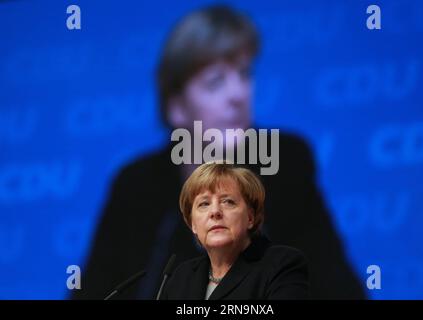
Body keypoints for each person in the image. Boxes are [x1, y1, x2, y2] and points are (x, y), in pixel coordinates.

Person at [72, 5, 365, 300]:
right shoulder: (136, 187)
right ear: (176, 107)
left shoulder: (284, 164)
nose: (238, 94)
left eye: (244, 74)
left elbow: (338, 289)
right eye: (216, 82)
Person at [160, 162, 308, 300]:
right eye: (204, 204)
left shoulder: (281, 265)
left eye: (228, 202)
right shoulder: (182, 276)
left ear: (250, 217)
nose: (215, 212)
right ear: (193, 224)